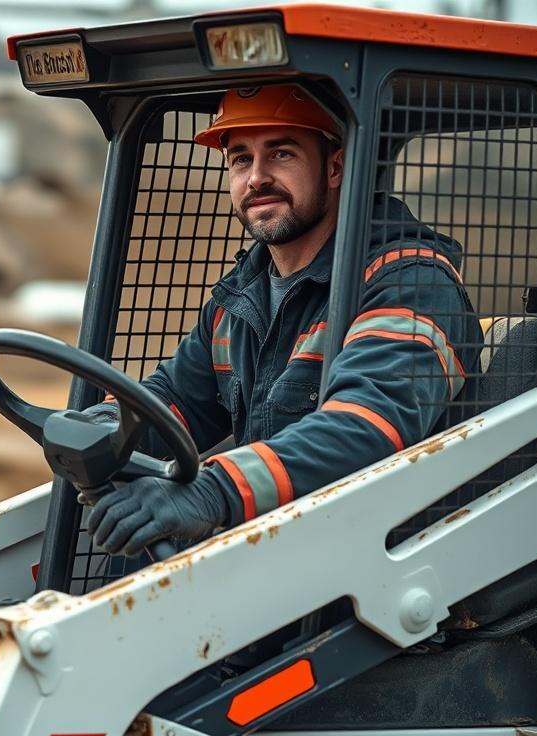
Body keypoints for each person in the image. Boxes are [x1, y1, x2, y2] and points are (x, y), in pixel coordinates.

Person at [85, 84, 481, 557]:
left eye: (282, 154)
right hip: (280, 555)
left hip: (378, 567)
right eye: (239, 159)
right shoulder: (242, 295)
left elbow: (366, 427)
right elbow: (175, 400)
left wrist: (215, 491)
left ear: (335, 167)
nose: (256, 178)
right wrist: (106, 427)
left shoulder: (410, 285)